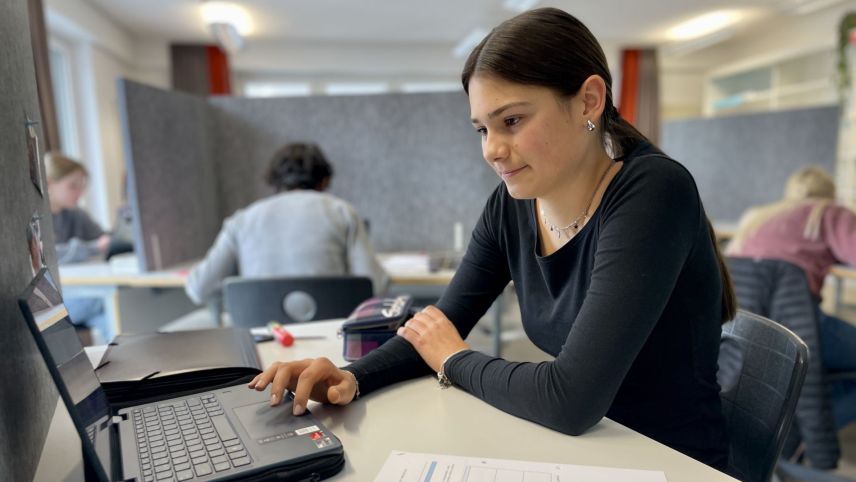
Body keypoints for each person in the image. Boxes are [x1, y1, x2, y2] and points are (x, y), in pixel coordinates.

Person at [248, 8, 735, 470]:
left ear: (589, 100)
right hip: (587, 448)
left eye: (513, 121)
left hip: (669, 461)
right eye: (482, 128)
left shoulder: (654, 191)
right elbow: (438, 325)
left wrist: (454, 358)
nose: (493, 151)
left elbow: (570, 399)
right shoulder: (513, 204)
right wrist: (352, 376)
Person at [727, 166, 856, 429]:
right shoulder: (828, 211)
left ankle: (791, 427)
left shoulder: (760, 215)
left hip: (749, 330)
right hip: (799, 323)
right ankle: (804, 431)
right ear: (829, 194)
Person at [185, 142, 388, 305]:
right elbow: (375, 285)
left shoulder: (242, 220)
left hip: (260, 341)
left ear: (273, 181)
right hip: (332, 341)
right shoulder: (342, 212)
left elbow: (198, 289)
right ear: (324, 180)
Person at [46, 152, 114, 344]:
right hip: (56, 302)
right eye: (72, 186)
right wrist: (93, 248)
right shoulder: (38, 219)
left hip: (83, 295)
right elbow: (53, 254)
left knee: (113, 317)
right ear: (50, 183)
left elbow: (104, 238)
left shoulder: (76, 214)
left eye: (82, 187)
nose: (79, 193)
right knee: (108, 301)